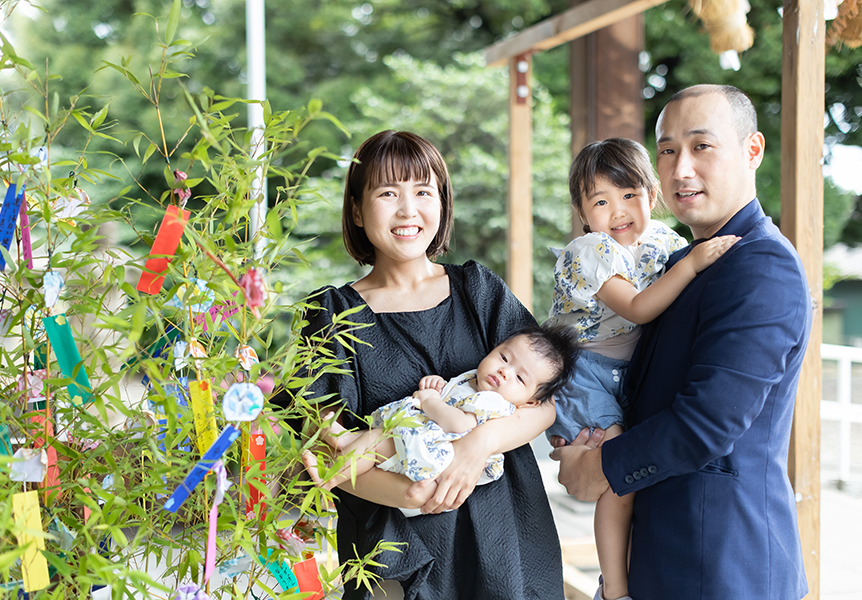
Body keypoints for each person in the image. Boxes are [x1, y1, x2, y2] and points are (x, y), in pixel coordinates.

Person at [551, 84, 812, 600]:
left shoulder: (762, 264)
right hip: (661, 555)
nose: (681, 168)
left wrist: (599, 467)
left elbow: (708, 422)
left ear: (752, 150)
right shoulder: (673, 261)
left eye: (702, 146)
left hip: (720, 562)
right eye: (667, 150)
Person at [290, 130, 565, 599]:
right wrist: (411, 495)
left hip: (502, 531)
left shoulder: (478, 290)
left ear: (442, 202)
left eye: (423, 191)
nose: (407, 209)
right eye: (387, 192)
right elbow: (328, 444)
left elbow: (546, 402)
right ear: (356, 210)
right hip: (395, 543)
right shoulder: (329, 313)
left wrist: (480, 442)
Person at [546, 137, 738, 600]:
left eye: (629, 194)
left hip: (625, 373)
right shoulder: (590, 250)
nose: (618, 211)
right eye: (601, 201)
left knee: (637, 475)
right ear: (583, 213)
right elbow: (635, 307)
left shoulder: (664, 242)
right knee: (617, 472)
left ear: (652, 194)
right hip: (584, 369)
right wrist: (693, 264)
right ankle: (613, 587)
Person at [302, 324, 578, 501]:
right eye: (504, 358)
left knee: (375, 443)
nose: (505, 372)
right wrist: (439, 387)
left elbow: (457, 423)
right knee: (375, 440)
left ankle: (331, 476)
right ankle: (346, 442)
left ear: (530, 402)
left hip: (437, 459)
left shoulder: (494, 403)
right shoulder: (473, 380)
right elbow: (451, 402)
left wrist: (429, 400)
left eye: (520, 379)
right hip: (424, 443)